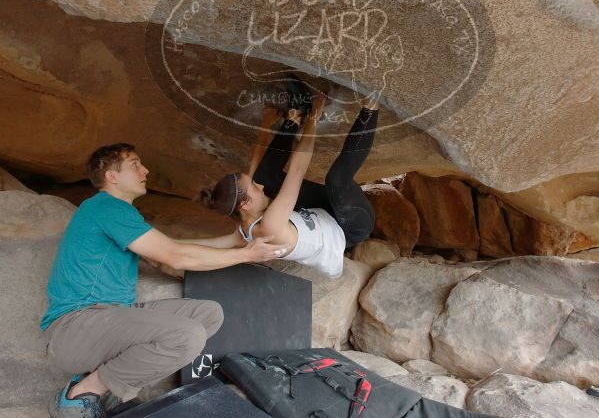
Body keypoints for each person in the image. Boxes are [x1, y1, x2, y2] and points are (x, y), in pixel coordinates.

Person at [43, 143, 282, 418]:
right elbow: (174, 256)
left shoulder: (118, 214)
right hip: (77, 327)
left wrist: (233, 241)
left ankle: (111, 389)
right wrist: (246, 255)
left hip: (108, 318)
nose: (145, 170)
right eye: (134, 164)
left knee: (208, 314)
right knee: (187, 336)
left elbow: (167, 249)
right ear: (111, 176)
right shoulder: (107, 208)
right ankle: (80, 395)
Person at [207, 87, 379, 279]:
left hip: (321, 213)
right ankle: (370, 108)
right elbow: (298, 168)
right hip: (350, 227)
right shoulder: (270, 226)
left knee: (263, 176)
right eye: (254, 188)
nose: (259, 187)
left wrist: (266, 123)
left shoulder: (242, 230)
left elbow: (256, 162)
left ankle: (296, 115)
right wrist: (315, 116)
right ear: (244, 204)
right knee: (336, 180)